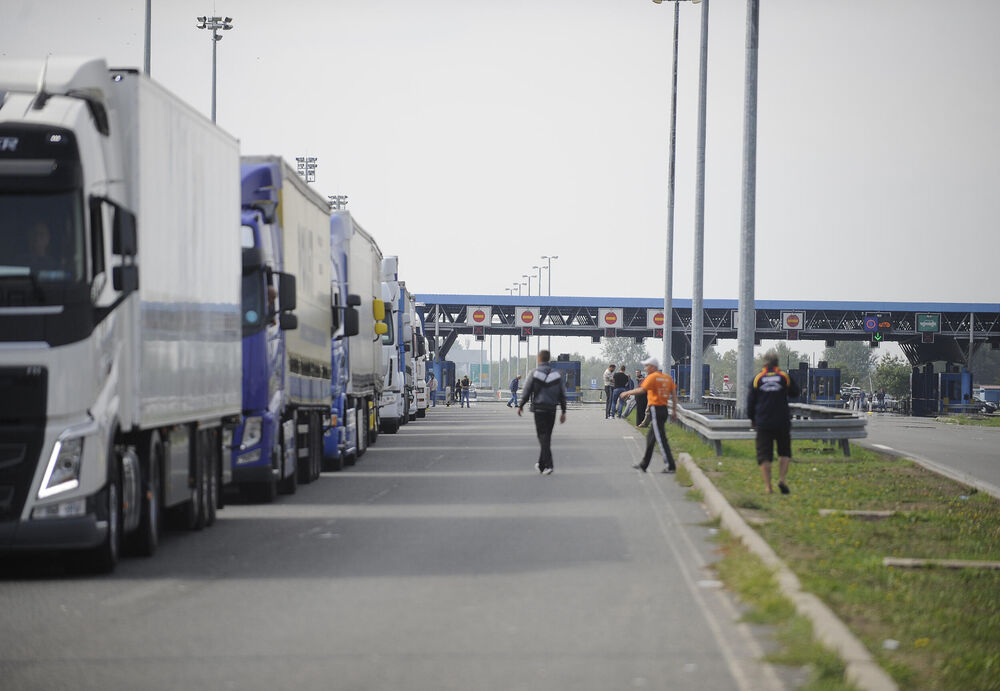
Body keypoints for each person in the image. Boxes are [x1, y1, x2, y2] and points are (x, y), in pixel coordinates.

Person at [747, 350, 801, 495]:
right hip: (782, 420)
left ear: (764, 363)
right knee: (784, 451)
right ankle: (782, 479)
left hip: (763, 422)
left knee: (764, 454)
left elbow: (750, 402)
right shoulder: (784, 377)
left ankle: (768, 487)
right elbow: (796, 392)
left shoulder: (757, 379)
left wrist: (752, 419)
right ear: (777, 363)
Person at [620, 357, 678, 473]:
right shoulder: (667, 378)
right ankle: (644, 464)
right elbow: (674, 395)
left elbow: (641, 390)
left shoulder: (652, 378)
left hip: (656, 410)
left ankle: (671, 465)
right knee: (651, 438)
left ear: (653, 367)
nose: (645, 369)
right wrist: (675, 411)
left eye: (647, 366)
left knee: (661, 439)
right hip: (664, 410)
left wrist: (627, 392)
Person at [517, 350, 567, 475]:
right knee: (547, 436)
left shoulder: (534, 373)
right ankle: (541, 464)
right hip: (551, 409)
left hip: (539, 408)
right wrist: (563, 411)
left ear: (539, 358)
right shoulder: (557, 374)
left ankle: (549, 465)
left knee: (542, 436)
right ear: (549, 358)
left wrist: (521, 405)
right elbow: (562, 394)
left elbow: (527, 390)